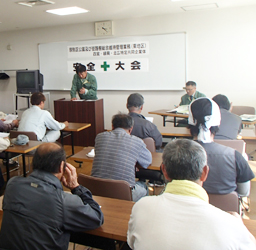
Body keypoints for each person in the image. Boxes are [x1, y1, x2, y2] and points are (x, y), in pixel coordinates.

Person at [127, 139, 256, 250]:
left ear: (164, 170)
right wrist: (241, 227)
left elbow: (132, 243)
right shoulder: (231, 226)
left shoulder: (140, 207)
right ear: (205, 173)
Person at [0, 143, 104, 250]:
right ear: (62, 167)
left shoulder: (12, 185)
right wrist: (76, 187)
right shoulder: (64, 201)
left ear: (34, 163)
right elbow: (97, 217)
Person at [188, 97, 254, 196]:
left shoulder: (175, 153)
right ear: (218, 124)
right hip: (226, 211)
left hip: (186, 210)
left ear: (190, 124)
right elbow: (244, 192)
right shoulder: (235, 156)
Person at [91, 113, 152, 202]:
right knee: (143, 187)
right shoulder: (137, 142)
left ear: (112, 126)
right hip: (122, 194)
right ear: (131, 129)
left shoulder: (99, 137)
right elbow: (147, 161)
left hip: (95, 190)